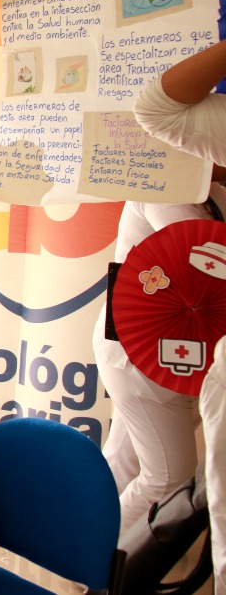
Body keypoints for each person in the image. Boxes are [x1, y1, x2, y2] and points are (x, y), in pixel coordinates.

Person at [133, 38, 226, 595]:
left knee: (149, 473)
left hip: (175, 351)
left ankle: (97, 570)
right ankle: (98, 571)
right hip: (151, 351)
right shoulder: (169, 185)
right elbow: (156, 108)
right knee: (162, 477)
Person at [94, 171, 226, 537]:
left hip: (161, 353)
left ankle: (78, 555)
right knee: (169, 477)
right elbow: (197, 254)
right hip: (139, 354)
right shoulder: (164, 185)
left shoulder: (209, 192)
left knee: (124, 462)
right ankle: (92, 561)